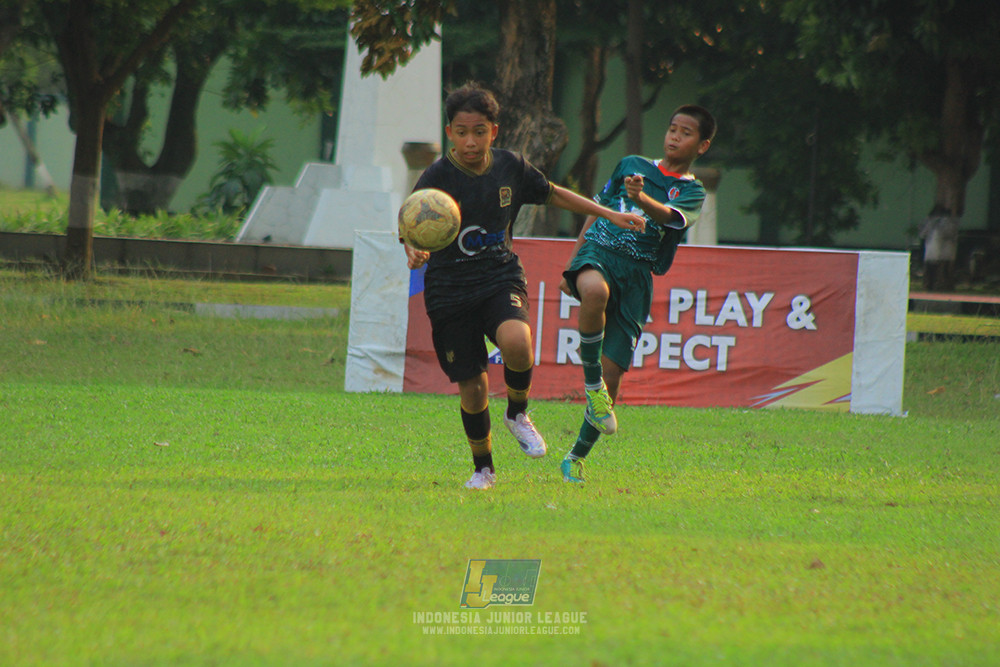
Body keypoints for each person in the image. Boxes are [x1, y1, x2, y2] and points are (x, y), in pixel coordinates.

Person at [401, 82, 646, 490]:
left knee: (518, 341)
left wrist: (609, 214)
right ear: (450, 133)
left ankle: (517, 412)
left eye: (479, 131)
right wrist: (412, 249)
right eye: (461, 132)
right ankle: (484, 468)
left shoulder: (510, 167)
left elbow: (554, 194)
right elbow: (411, 222)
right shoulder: (437, 176)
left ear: (494, 131)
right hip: (449, 290)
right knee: (473, 385)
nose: (470, 140)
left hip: (499, 277)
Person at [558, 104, 716, 483]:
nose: (675, 136)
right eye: (672, 128)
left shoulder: (693, 191)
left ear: (703, 145)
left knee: (614, 377)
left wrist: (643, 200)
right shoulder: (631, 163)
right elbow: (597, 209)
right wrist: (573, 259)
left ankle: (575, 457)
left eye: (686, 132)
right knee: (593, 291)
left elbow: (670, 218)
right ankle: (592, 386)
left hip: (637, 277)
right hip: (600, 252)